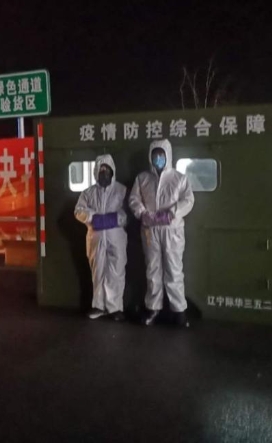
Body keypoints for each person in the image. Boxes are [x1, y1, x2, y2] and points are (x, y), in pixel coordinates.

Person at [129, 139, 195, 327]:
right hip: (150, 230)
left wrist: (173, 212)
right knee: (152, 269)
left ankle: (179, 310)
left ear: (168, 155)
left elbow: (189, 200)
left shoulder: (179, 178)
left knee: (174, 270)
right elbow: (134, 199)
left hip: (171, 231)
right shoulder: (142, 178)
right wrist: (143, 214)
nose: (158, 158)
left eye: (161, 154)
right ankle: (153, 308)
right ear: (150, 157)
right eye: (155, 155)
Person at [74, 154, 128, 321]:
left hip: (116, 238)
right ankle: (98, 305)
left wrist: (115, 219)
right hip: (95, 238)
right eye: (101, 169)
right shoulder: (88, 193)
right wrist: (93, 217)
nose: (104, 172)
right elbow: (78, 211)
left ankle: (115, 308)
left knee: (116, 272)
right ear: (96, 171)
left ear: (113, 170)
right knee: (98, 272)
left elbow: (127, 212)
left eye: (107, 169)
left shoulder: (121, 190)